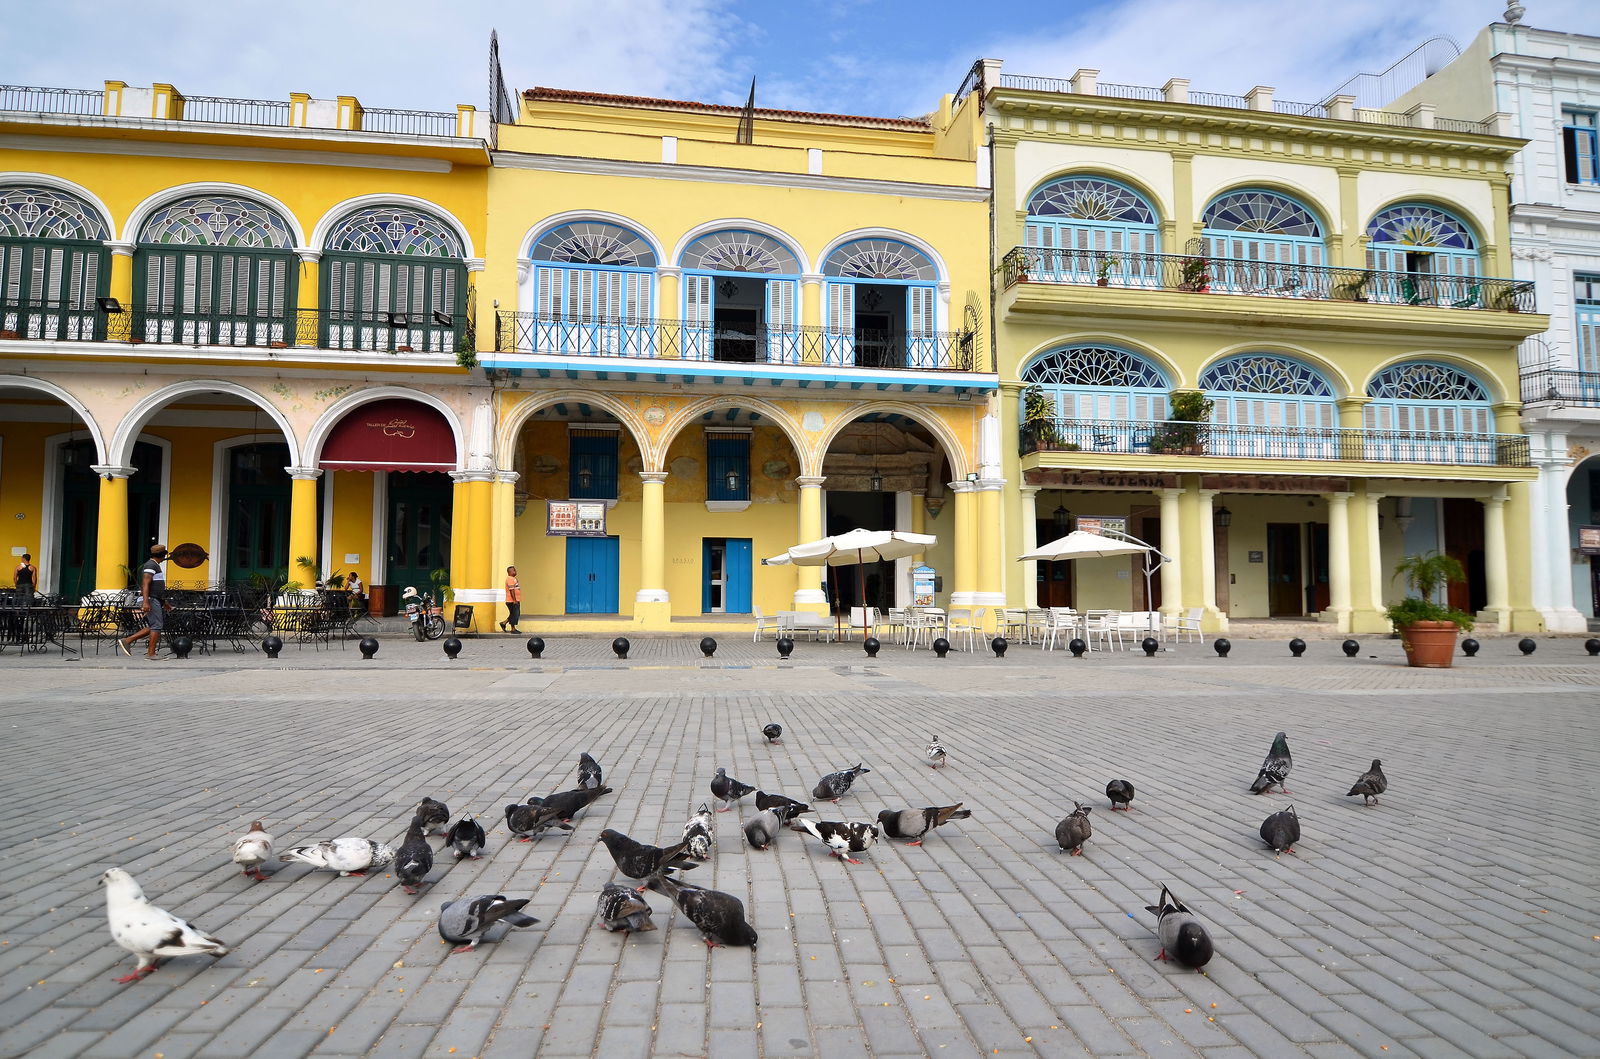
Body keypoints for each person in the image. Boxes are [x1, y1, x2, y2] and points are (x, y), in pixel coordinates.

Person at [119, 544, 173, 660]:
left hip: (154, 599)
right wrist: (145, 602)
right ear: (162, 555)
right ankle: (151, 654)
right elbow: (145, 584)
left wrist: (164, 602)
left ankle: (128, 640)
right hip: (150, 599)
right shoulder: (151, 565)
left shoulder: (154, 565)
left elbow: (155, 588)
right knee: (156, 626)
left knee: (155, 626)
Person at [500, 566, 521, 633]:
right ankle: (512, 629)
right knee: (515, 614)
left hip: (515, 600)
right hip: (511, 600)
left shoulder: (513, 578)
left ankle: (504, 623)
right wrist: (514, 600)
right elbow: (511, 590)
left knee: (514, 614)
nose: (515, 571)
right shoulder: (510, 579)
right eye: (514, 570)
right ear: (510, 572)